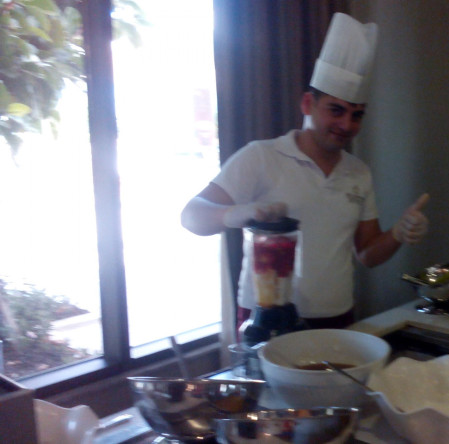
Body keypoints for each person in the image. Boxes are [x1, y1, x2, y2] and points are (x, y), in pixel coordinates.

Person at [181, 13, 429, 330]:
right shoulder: (262, 157)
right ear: (308, 104)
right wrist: (238, 213)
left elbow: (367, 253)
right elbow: (192, 216)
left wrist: (398, 233)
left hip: (336, 318)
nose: (346, 124)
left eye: (356, 115)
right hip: (268, 319)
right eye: (336, 110)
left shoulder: (358, 173)